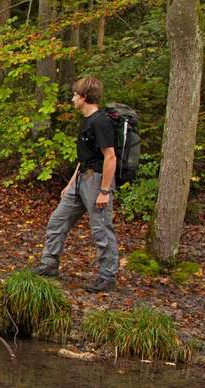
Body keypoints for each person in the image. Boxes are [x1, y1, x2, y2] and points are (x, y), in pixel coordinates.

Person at [34, 76, 118, 293]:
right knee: (57, 220)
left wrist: (104, 191)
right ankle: (48, 266)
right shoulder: (86, 121)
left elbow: (110, 157)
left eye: (74, 95)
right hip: (82, 179)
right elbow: (84, 157)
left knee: (101, 229)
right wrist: (71, 184)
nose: (72, 99)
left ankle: (107, 277)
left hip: (97, 181)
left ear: (84, 97)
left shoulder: (101, 121)